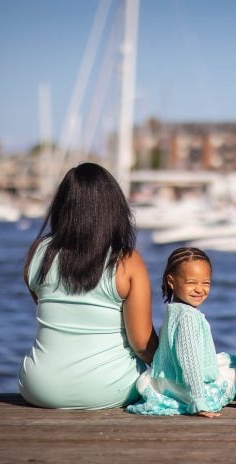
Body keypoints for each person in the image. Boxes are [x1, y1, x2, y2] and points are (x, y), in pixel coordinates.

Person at [18, 162, 158, 409]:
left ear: (63, 208)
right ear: (114, 210)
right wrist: (174, 368)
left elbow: (45, 305)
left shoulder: (38, 252)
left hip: (39, 388)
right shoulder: (127, 262)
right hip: (110, 389)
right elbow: (142, 344)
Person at [127, 247, 236, 417]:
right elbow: (190, 363)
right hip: (185, 389)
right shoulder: (188, 318)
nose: (199, 289)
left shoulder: (174, 310)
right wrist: (199, 403)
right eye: (191, 283)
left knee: (223, 360)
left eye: (205, 283)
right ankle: (201, 397)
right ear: (171, 281)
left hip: (168, 381)